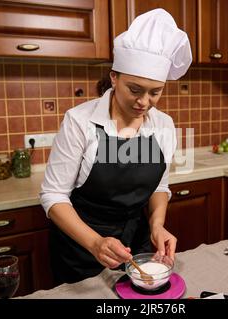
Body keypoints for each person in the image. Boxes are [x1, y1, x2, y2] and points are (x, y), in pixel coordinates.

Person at [40, 8, 192, 284]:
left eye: (155, 92)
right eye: (135, 89)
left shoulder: (164, 125)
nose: (144, 102)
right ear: (114, 77)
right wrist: (96, 243)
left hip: (139, 243)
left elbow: (159, 185)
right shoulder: (80, 121)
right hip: (82, 248)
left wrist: (157, 225)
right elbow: (53, 195)